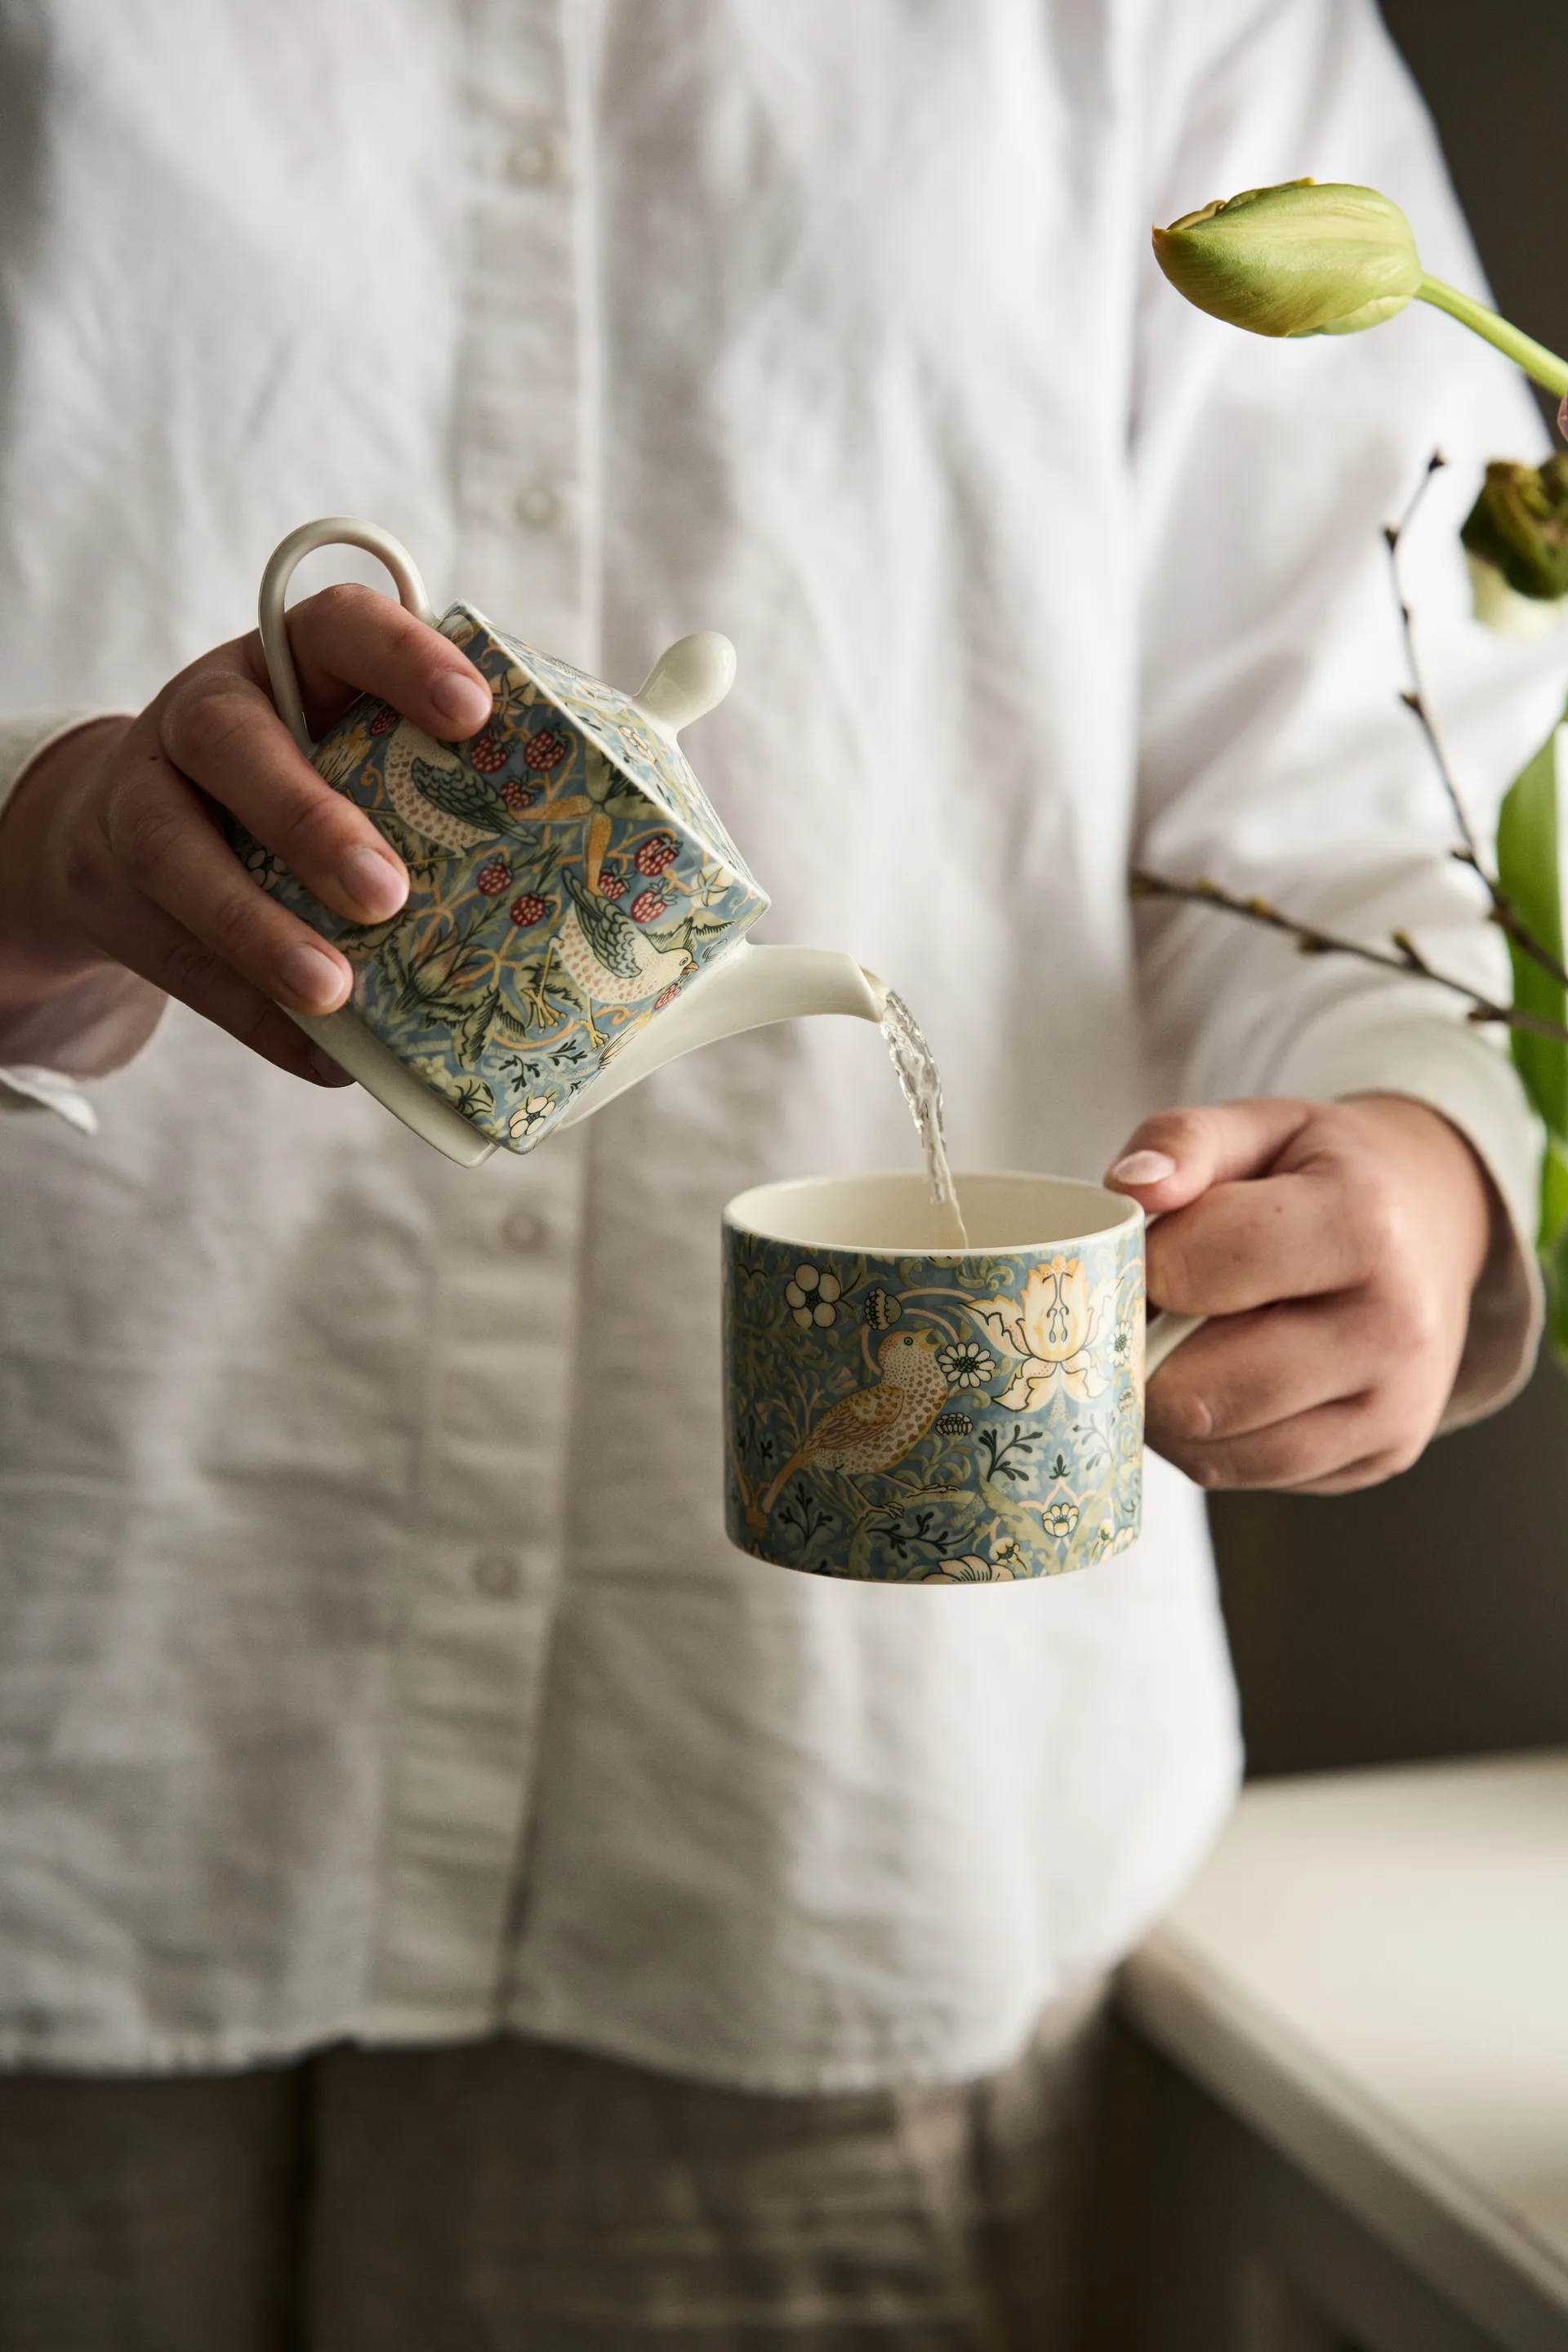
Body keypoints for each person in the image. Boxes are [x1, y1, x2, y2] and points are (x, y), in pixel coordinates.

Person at [0, 1, 1561, 2344]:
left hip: (814, 1819)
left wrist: (1417, 1162)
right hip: (83, 1710)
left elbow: (1386, 740)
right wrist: (39, 840)